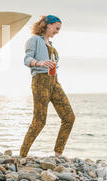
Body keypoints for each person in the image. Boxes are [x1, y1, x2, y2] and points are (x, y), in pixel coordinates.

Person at [20, 15, 75, 158]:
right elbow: (26, 59)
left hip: (54, 82)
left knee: (69, 117)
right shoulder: (34, 40)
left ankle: (58, 154)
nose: (57, 31)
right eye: (56, 28)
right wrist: (40, 63)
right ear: (48, 25)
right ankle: (22, 155)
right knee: (39, 121)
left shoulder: (51, 44)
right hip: (40, 81)